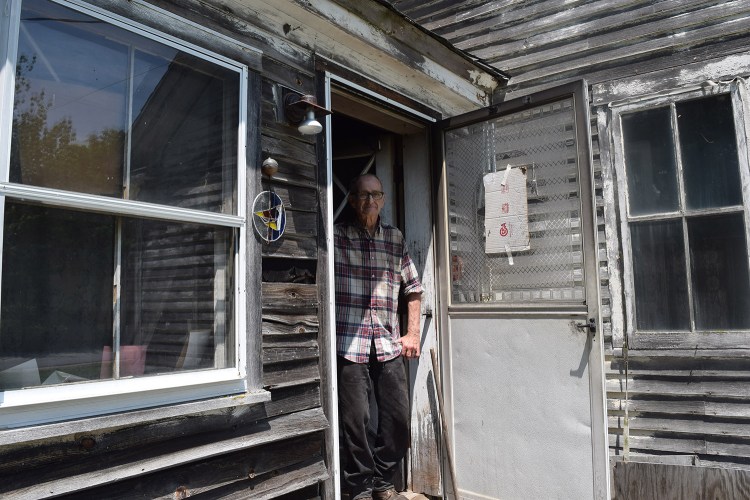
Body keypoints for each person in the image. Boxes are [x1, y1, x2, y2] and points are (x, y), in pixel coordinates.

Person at [335, 173, 423, 500]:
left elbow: (413, 289)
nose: (369, 202)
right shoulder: (336, 238)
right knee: (355, 424)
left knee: (398, 421)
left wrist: (412, 334)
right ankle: (359, 489)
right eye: (361, 195)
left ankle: (383, 482)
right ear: (352, 199)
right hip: (349, 344)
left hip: (388, 344)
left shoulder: (395, 239)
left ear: (383, 199)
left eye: (375, 195)